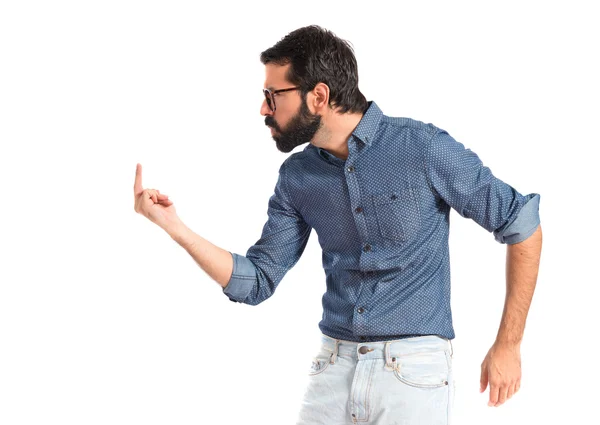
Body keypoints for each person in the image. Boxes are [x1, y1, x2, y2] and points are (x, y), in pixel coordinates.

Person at [133, 25, 542, 425]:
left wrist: (509, 343)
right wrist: (175, 228)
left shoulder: (422, 148)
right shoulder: (297, 177)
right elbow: (256, 281)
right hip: (332, 368)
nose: (263, 108)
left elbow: (521, 223)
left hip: (413, 374)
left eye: (273, 95)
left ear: (319, 96)